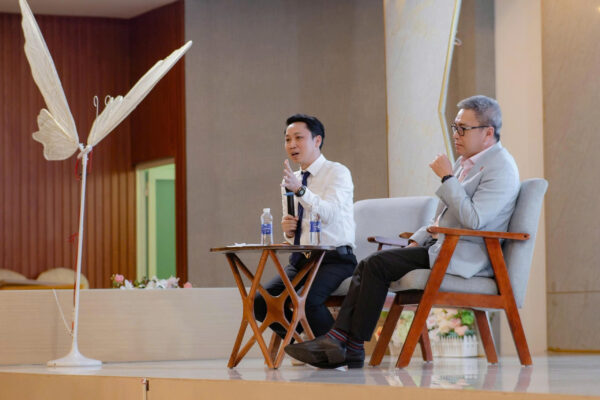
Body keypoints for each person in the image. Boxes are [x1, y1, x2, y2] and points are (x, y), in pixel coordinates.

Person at [284, 95, 520, 369]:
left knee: (376, 265)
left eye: (463, 129)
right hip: (440, 247)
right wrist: (416, 240)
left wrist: (447, 178)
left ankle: (346, 344)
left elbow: (475, 220)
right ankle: (348, 345)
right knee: (370, 264)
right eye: (455, 127)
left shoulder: (501, 168)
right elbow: (440, 217)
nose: (456, 134)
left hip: (465, 254)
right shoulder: (465, 162)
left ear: (488, 132)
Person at [253, 114, 357, 340]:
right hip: (301, 260)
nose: (292, 145)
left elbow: (330, 215)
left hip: (334, 259)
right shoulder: (291, 179)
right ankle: (303, 343)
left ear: (317, 140)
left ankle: (340, 350)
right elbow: (293, 232)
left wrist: (300, 190)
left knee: (307, 301)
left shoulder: (337, 172)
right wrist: (288, 229)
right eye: (287, 139)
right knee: (260, 302)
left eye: (298, 138)